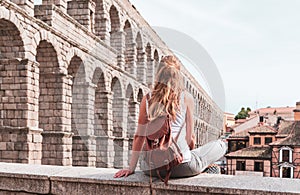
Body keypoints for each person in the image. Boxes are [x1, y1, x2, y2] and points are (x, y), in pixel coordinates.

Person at [114, 55, 227, 178]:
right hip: (182, 167)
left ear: (158, 74)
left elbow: (139, 136)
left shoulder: (147, 99)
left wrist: (131, 168)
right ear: (178, 76)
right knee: (220, 145)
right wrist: (187, 152)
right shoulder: (186, 98)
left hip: (151, 169)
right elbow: (190, 139)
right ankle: (207, 166)